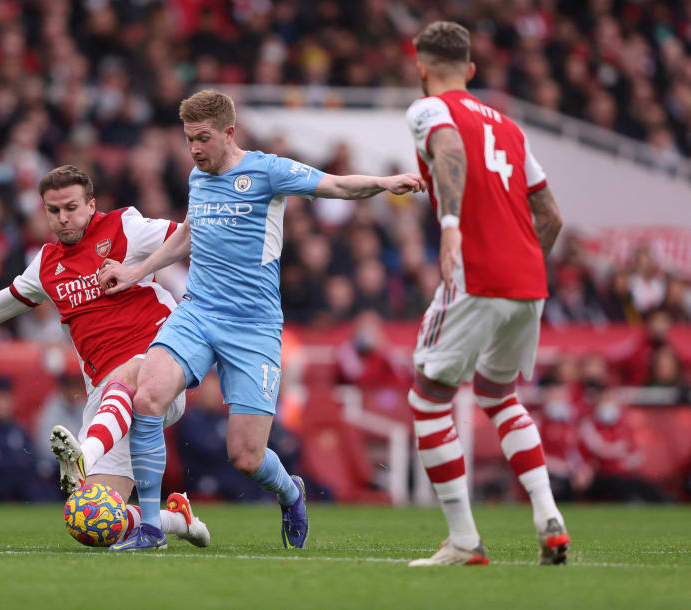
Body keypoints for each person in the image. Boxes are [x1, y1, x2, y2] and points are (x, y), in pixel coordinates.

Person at [99, 88, 425, 550]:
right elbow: (190, 234)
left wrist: (385, 181)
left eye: (203, 138)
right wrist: (137, 271)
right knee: (147, 398)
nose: (194, 148)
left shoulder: (267, 170)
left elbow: (334, 184)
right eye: (189, 138)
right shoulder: (198, 177)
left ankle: (291, 493)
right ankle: (151, 529)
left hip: (253, 327)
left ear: (229, 133)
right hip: (197, 313)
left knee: (246, 456)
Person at [0, 165, 207, 546]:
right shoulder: (46, 265)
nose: (63, 219)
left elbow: (189, 238)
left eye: (72, 208)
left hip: (159, 367)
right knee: (92, 522)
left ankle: (85, 456)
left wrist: (141, 266)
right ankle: (172, 520)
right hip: (106, 397)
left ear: (91, 205)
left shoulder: (124, 226)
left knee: (129, 375)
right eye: (53, 211)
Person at [402, 22, 568, 566]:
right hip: (529, 281)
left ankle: (465, 541)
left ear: (422, 67)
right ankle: (549, 516)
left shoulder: (428, 109)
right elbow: (552, 217)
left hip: (476, 274)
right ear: (471, 70)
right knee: (499, 396)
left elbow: (448, 146)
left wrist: (450, 223)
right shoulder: (512, 128)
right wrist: (519, 265)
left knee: (428, 397)